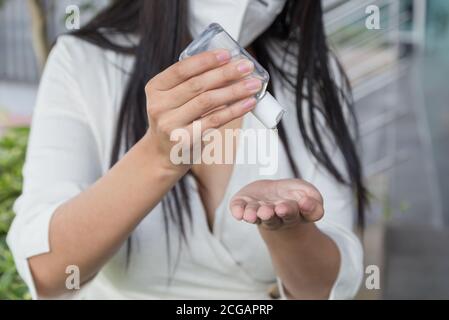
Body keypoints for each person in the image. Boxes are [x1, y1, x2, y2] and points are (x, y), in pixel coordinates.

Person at [7, 0, 367, 300]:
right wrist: (158, 157)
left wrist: (288, 227)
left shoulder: (310, 74)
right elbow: (47, 272)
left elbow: (326, 288)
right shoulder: (83, 63)